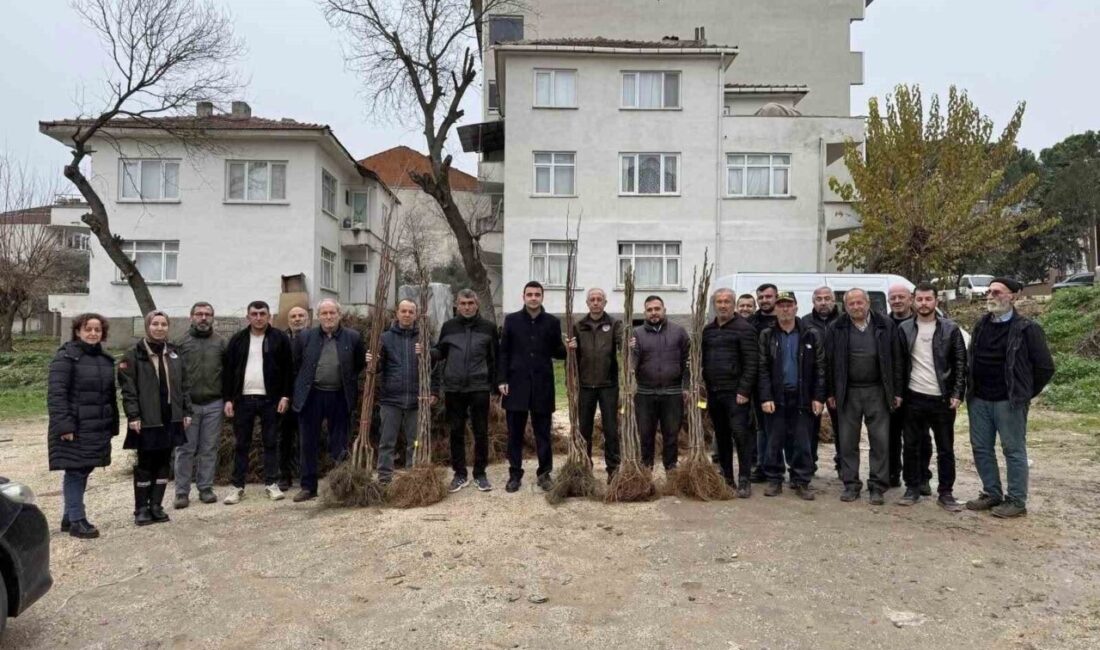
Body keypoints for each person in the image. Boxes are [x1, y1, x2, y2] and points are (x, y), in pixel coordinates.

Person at [965, 277, 1055, 518]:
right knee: (981, 448)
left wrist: (1024, 393)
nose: (991, 296)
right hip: (979, 399)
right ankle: (992, 493)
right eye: (989, 291)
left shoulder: (1027, 328)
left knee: (1013, 450)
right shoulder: (982, 324)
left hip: (1009, 401)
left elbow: (1045, 367)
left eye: (997, 292)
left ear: (1013, 296)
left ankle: (1016, 501)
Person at [825, 288, 904, 505]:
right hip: (847, 392)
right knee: (848, 441)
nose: (856, 307)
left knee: (880, 440)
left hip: (877, 391)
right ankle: (851, 484)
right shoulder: (836, 327)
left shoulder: (885, 324)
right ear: (845, 306)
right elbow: (829, 363)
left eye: (860, 302)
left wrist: (897, 391)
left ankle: (878, 486)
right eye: (851, 304)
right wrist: (831, 392)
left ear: (868, 303)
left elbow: (897, 359)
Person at [47, 313, 119, 539]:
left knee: (84, 467)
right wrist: (64, 426)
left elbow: (109, 397)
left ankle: (69, 517)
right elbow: (57, 395)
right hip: (75, 427)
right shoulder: (66, 358)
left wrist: (112, 425)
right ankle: (78, 520)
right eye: (88, 329)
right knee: (76, 470)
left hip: (97, 426)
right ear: (78, 331)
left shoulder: (105, 360)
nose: (93, 333)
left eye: (97, 330)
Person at [897, 283, 967, 510]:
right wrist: (898, 393)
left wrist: (957, 393)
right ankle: (912, 487)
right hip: (913, 397)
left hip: (942, 399)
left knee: (945, 448)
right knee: (911, 445)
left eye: (928, 299)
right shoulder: (905, 329)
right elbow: (899, 364)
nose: (924, 304)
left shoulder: (950, 328)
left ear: (936, 301)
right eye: (919, 299)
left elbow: (960, 363)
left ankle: (946, 492)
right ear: (913, 301)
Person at [119, 311, 192, 526]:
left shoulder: (175, 353)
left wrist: (187, 411)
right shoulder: (133, 354)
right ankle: (141, 508)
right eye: (155, 324)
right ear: (147, 326)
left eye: (163, 324)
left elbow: (184, 386)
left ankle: (156, 505)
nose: (159, 328)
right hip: (147, 417)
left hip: (171, 417)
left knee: (163, 462)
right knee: (145, 463)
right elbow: (128, 389)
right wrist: (133, 415)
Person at [292, 299, 366, 501]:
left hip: (339, 396)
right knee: (308, 442)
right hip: (312, 396)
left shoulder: (353, 337)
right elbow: (297, 365)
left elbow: (358, 365)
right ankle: (308, 487)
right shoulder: (305, 337)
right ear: (318, 316)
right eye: (324, 313)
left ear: (339, 314)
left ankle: (339, 486)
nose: (328, 317)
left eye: (332, 313)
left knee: (339, 443)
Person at [222, 300, 294, 504]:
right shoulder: (237, 340)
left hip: (270, 399)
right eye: (254, 314)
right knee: (241, 444)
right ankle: (237, 487)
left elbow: (289, 370)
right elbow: (228, 372)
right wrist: (228, 399)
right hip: (243, 399)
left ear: (269, 316)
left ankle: (272, 484)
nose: (258, 317)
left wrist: (285, 396)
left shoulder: (279, 338)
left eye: (262, 313)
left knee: (271, 442)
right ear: (248, 317)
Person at [498, 281, 566, 493]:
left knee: (543, 433)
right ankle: (514, 474)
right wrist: (502, 380)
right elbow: (503, 352)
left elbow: (558, 352)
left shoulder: (552, 322)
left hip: (542, 385)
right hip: (516, 385)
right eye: (530, 294)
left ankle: (544, 474)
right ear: (524, 296)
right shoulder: (511, 320)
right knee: (515, 434)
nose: (534, 298)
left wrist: (567, 347)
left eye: (537, 294)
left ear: (542, 297)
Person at [758, 292, 825, 500]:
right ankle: (774, 479)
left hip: (802, 396)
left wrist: (818, 397)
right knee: (774, 440)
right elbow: (763, 369)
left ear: (796, 307)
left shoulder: (810, 333)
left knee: (802, 441)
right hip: (777, 397)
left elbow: (821, 367)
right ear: (775, 309)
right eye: (781, 305)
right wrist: (765, 396)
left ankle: (801, 480)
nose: (785, 309)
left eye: (789, 305)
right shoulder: (767, 335)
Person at [433, 289, 498, 492]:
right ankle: (460, 474)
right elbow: (441, 352)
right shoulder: (448, 327)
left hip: (479, 386)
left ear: (477, 304)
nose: (467, 306)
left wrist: (495, 385)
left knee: (480, 431)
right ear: (457, 305)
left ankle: (480, 474)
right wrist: (428, 352)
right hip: (454, 387)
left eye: (470, 303)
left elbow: (494, 358)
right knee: (456, 431)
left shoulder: (488, 328)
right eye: (463, 303)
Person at [372, 299, 437, 484]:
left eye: (411, 311)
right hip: (391, 400)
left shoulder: (424, 338)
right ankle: (384, 478)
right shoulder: (385, 338)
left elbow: (435, 367)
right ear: (397, 313)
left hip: (417, 400)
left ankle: (412, 477)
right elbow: (376, 368)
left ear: (416, 315)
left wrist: (434, 391)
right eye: (404, 311)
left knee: (415, 443)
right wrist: (372, 361)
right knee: (387, 442)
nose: (407, 314)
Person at [702, 288, 759, 497]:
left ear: (733, 305)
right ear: (715, 305)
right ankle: (727, 477)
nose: (723, 305)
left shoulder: (745, 329)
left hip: (736, 393)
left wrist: (744, 390)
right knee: (722, 436)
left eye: (727, 302)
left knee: (741, 435)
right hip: (715, 392)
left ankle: (744, 478)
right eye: (719, 302)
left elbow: (752, 362)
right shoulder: (708, 331)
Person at [172, 302, 225, 509]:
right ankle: (182, 492)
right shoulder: (180, 342)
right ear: (191, 317)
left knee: (209, 449)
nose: (203, 318)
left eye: (207, 314)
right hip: (189, 405)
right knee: (185, 449)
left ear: (213, 317)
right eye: (199, 314)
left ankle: (205, 488)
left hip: (214, 403)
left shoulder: (221, 343)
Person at [568, 287, 623, 481]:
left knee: (610, 428)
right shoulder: (579, 325)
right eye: (592, 299)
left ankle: (613, 470)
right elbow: (571, 356)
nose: (596, 302)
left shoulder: (615, 323)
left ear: (605, 303)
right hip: (585, 386)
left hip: (608, 385)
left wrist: (628, 343)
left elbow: (622, 346)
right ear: (588, 303)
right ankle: (584, 467)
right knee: (584, 429)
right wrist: (570, 349)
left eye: (600, 299)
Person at [632, 295, 689, 475]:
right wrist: (629, 349)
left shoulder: (679, 332)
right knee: (646, 435)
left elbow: (687, 361)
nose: (654, 313)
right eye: (650, 310)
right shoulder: (636, 334)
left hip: (672, 392)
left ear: (664, 310)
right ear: (645, 313)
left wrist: (685, 386)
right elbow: (631, 363)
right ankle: (646, 470)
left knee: (671, 435)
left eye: (657, 309)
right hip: (645, 393)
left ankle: (671, 470)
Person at [804, 286, 840, 476]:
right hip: (813, 383)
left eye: (827, 298)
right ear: (813, 302)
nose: (823, 302)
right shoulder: (805, 322)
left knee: (841, 428)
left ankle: (842, 465)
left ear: (834, 300)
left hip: (838, 383)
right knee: (810, 427)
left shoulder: (843, 321)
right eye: (819, 299)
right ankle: (809, 465)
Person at [747, 283, 779, 482]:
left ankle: (779, 467)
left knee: (782, 427)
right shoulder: (752, 322)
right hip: (759, 382)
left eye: (769, 296)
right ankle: (762, 466)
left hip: (783, 382)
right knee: (762, 427)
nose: (765, 300)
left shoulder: (785, 319)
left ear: (776, 297)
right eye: (761, 298)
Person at [279, 305, 311, 491]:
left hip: (306, 396)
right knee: (284, 437)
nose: (297, 319)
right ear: (288, 319)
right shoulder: (280, 339)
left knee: (306, 437)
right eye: (293, 316)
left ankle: (305, 474)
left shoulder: (315, 338)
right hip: (284, 395)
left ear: (307, 318)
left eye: (301, 315)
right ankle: (284, 475)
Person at [887, 283, 915, 488]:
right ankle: (892, 474)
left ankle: (919, 477)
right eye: (893, 297)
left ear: (910, 299)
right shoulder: (883, 324)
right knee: (890, 435)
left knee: (917, 437)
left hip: (917, 388)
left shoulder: (922, 322)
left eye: (901, 297)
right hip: (889, 390)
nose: (897, 301)